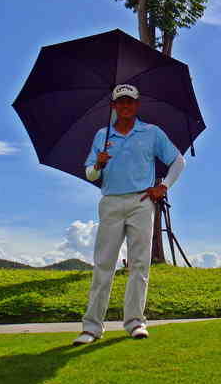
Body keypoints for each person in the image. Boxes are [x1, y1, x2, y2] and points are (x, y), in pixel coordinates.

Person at [73, 84, 185, 345]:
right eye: (120, 102)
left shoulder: (152, 132)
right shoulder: (102, 135)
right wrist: (99, 163)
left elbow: (178, 160)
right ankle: (91, 328)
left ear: (136, 105)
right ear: (114, 106)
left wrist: (164, 186)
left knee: (139, 264)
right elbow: (91, 174)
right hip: (110, 202)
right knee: (104, 264)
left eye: (129, 102)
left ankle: (135, 322)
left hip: (141, 202)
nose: (125, 106)